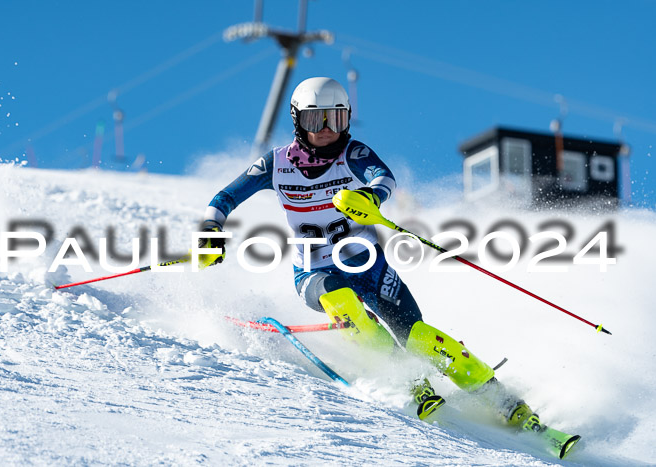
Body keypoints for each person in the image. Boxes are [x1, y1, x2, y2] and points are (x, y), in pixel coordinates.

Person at [199, 77, 537, 426]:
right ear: (299, 121)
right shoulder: (277, 164)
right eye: (317, 120)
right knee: (344, 305)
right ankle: (411, 382)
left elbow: (384, 178)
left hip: (371, 267)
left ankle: (504, 401)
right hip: (315, 273)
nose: (328, 129)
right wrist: (211, 229)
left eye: (337, 119)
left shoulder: (353, 154)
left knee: (420, 337)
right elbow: (224, 198)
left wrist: (371, 198)